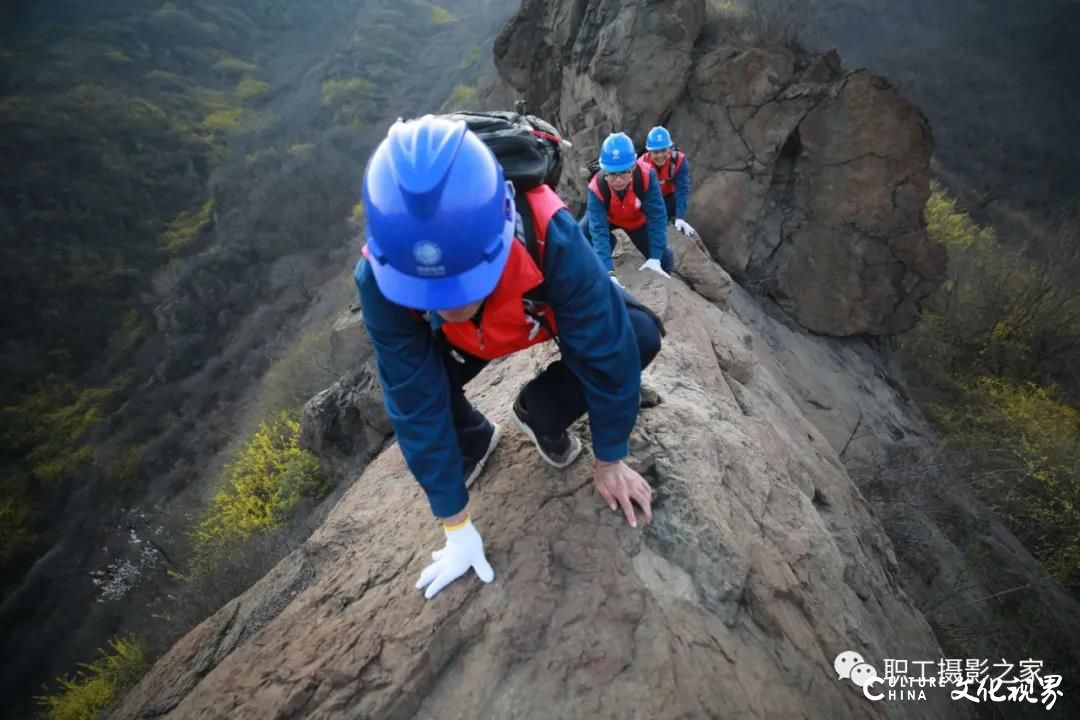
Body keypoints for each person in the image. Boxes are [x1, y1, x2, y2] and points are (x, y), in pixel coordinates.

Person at [354, 115, 663, 600]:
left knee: (639, 334)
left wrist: (611, 457)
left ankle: (540, 410)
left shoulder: (550, 232)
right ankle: (473, 441)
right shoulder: (381, 276)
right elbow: (412, 397)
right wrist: (455, 525)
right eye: (429, 294)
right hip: (466, 342)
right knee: (419, 381)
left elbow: (606, 349)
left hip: (535, 312)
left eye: (463, 285)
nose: (450, 305)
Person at [579, 132, 674, 281]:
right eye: (612, 174)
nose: (618, 180)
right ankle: (602, 258)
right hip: (608, 218)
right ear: (604, 171)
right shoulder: (596, 187)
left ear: (633, 167)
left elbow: (657, 216)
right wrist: (609, 273)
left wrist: (655, 257)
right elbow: (598, 231)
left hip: (635, 221)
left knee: (665, 258)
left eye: (624, 173)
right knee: (580, 236)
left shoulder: (646, 176)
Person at [638, 126, 696, 238]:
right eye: (655, 152)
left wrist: (680, 217)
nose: (660, 156)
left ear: (669, 148)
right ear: (649, 151)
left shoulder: (678, 160)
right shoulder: (640, 166)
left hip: (670, 200)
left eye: (663, 150)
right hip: (650, 202)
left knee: (675, 203)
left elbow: (682, 189)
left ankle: (674, 221)